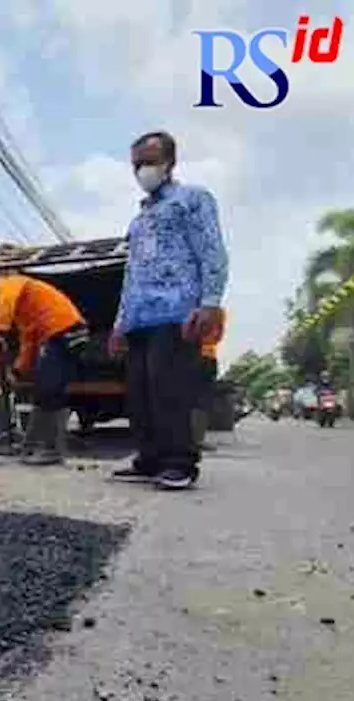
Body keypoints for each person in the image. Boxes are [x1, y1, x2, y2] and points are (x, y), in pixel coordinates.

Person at [110, 130, 228, 490]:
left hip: (178, 312)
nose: (142, 170)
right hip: (139, 318)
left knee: (170, 390)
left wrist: (209, 303)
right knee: (140, 393)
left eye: (148, 162)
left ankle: (179, 463)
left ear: (169, 162)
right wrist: (119, 325)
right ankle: (149, 459)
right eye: (136, 165)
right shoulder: (140, 218)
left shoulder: (192, 199)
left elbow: (212, 251)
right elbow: (132, 273)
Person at [0, 274, 88, 465]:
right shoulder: (25, 312)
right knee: (46, 389)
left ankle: (50, 450)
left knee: (48, 389)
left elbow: (6, 301)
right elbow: (28, 342)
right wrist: (18, 371)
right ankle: (34, 447)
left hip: (63, 330)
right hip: (65, 333)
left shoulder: (9, 283)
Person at [192, 307, 226, 451]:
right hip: (205, 358)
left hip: (197, 357)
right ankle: (195, 439)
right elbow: (217, 336)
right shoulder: (217, 311)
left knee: (197, 400)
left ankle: (191, 439)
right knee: (200, 401)